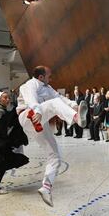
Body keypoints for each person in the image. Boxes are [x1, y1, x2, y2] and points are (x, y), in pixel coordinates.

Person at [17, 66, 88, 206]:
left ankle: (46, 187)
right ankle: (76, 119)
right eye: (49, 75)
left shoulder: (47, 88)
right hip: (27, 116)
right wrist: (37, 109)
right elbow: (31, 99)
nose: (51, 78)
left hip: (39, 122)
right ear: (41, 77)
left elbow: (59, 97)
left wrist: (74, 105)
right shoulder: (30, 84)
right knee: (54, 104)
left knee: (55, 154)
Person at [0, 92, 29, 194]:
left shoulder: (3, 110)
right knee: (1, 162)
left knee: (3, 163)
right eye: (5, 97)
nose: (8, 99)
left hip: (1, 143)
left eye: (9, 97)